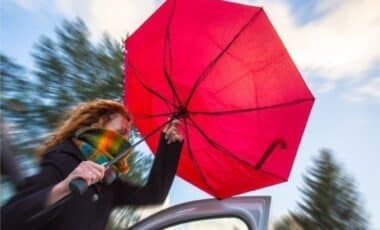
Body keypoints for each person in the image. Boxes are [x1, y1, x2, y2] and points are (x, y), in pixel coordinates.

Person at [1, 99, 183, 230]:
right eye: (120, 131)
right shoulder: (62, 159)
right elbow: (8, 220)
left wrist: (169, 146)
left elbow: (154, 195)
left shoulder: (110, 183)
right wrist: (64, 188)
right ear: (98, 122)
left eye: (127, 135)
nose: (125, 139)